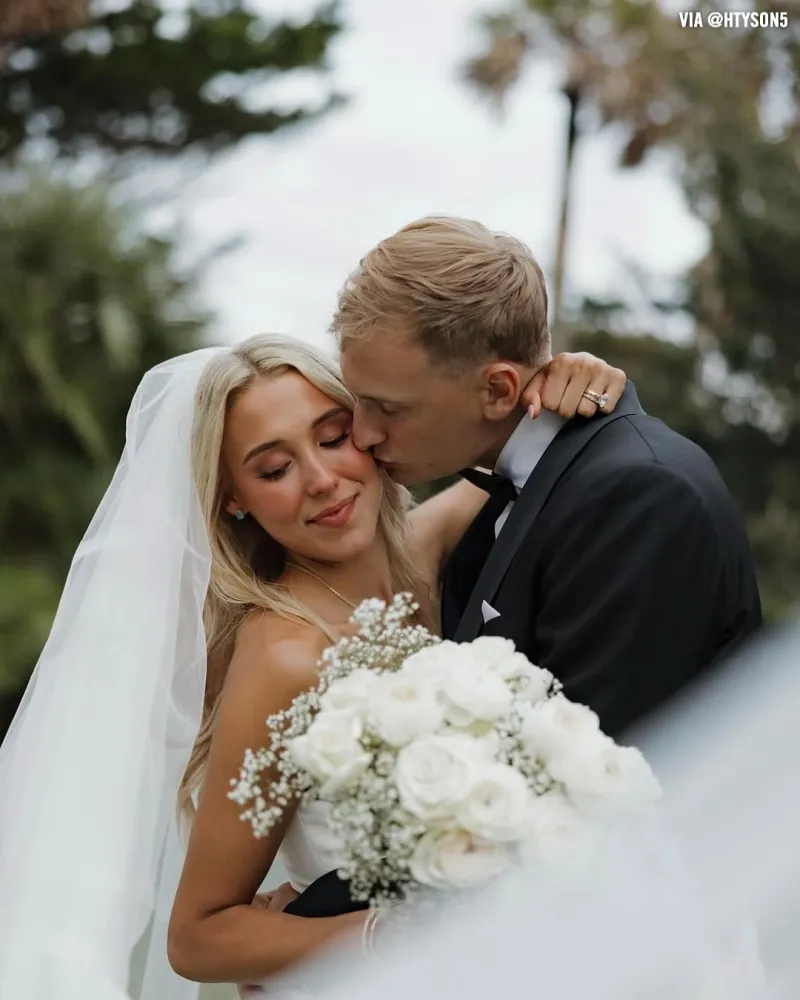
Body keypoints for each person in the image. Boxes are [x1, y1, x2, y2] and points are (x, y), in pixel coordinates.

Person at [0, 332, 625, 1000]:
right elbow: (197, 935)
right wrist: (392, 935)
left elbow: (526, 454)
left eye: (332, 437)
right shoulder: (286, 655)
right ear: (234, 498)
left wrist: (569, 379)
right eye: (274, 469)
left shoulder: (426, 551)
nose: (322, 479)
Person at [280, 215, 762, 923]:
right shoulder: (522, 482)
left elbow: (566, 805)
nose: (363, 433)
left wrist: (305, 925)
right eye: (359, 403)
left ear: (500, 391)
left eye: (387, 408)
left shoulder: (637, 499)